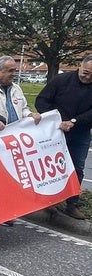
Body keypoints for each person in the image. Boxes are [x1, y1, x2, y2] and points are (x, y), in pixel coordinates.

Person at [35, 55, 92, 220]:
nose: (87, 77)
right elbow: (42, 101)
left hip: (80, 131)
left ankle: (72, 203)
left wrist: (74, 122)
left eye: (91, 75)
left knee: (76, 167)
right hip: (56, 131)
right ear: (79, 66)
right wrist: (57, 119)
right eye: (85, 72)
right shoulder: (61, 80)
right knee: (52, 166)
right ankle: (49, 201)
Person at [0, 55, 41, 125]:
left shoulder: (17, 88)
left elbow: (23, 109)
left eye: (15, 70)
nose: (14, 74)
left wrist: (30, 114)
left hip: (15, 133)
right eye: (10, 71)